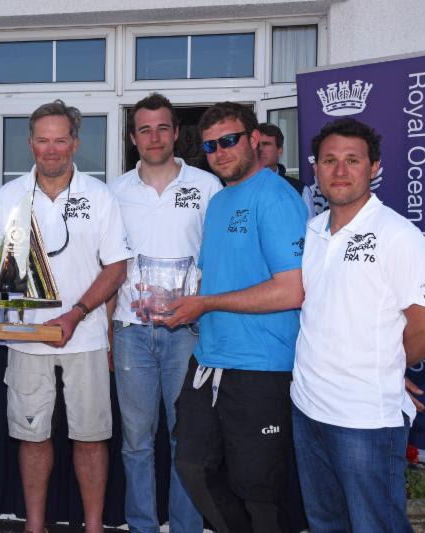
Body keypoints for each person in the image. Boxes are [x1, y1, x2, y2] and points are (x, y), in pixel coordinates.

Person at [0, 100, 130, 533]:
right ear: (30, 143)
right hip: (24, 336)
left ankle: (93, 527)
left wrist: (76, 314)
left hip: (86, 335)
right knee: (31, 436)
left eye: (61, 139)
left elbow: (117, 267)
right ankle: (33, 527)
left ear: (75, 143)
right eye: (43, 139)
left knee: (91, 438)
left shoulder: (100, 195)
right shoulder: (10, 195)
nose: (51, 149)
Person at [291, 118, 425, 532]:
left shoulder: (399, 236)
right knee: (326, 523)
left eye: (352, 160)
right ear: (316, 169)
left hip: (364, 421)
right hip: (307, 407)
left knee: (375, 525)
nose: (340, 171)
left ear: (374, 168)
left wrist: (387, 365)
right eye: (329, 160)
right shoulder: (312, 231)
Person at [162, 102, 308, 532]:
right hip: (210, 359)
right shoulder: (222, 201)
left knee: (258, 491)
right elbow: (215, 278)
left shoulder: (278, 198)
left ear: (255, 140)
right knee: (192, 465)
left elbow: (292, 289)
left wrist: (206, 304)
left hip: (262, 366)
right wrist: (180, 301)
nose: (220, 152)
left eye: (229, 140)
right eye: (210, 146)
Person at [109, 93, 221, 533]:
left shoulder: (207, 187)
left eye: (162, 128)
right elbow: (107, 267)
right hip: (130, 331)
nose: (153, 137)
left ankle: (186, 527)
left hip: (188, 332)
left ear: (177, 133)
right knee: (135, 442)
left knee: (186, 442)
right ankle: (141, 526)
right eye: (144, 129)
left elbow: (219, 260)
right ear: (133, 138)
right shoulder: (113, 192)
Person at [258, 122, 316, 219]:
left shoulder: (300, 190)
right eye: (257, 145)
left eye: (266, 144)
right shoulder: (239, 187)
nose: (260, 149)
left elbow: (310, 229)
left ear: (280, 150)